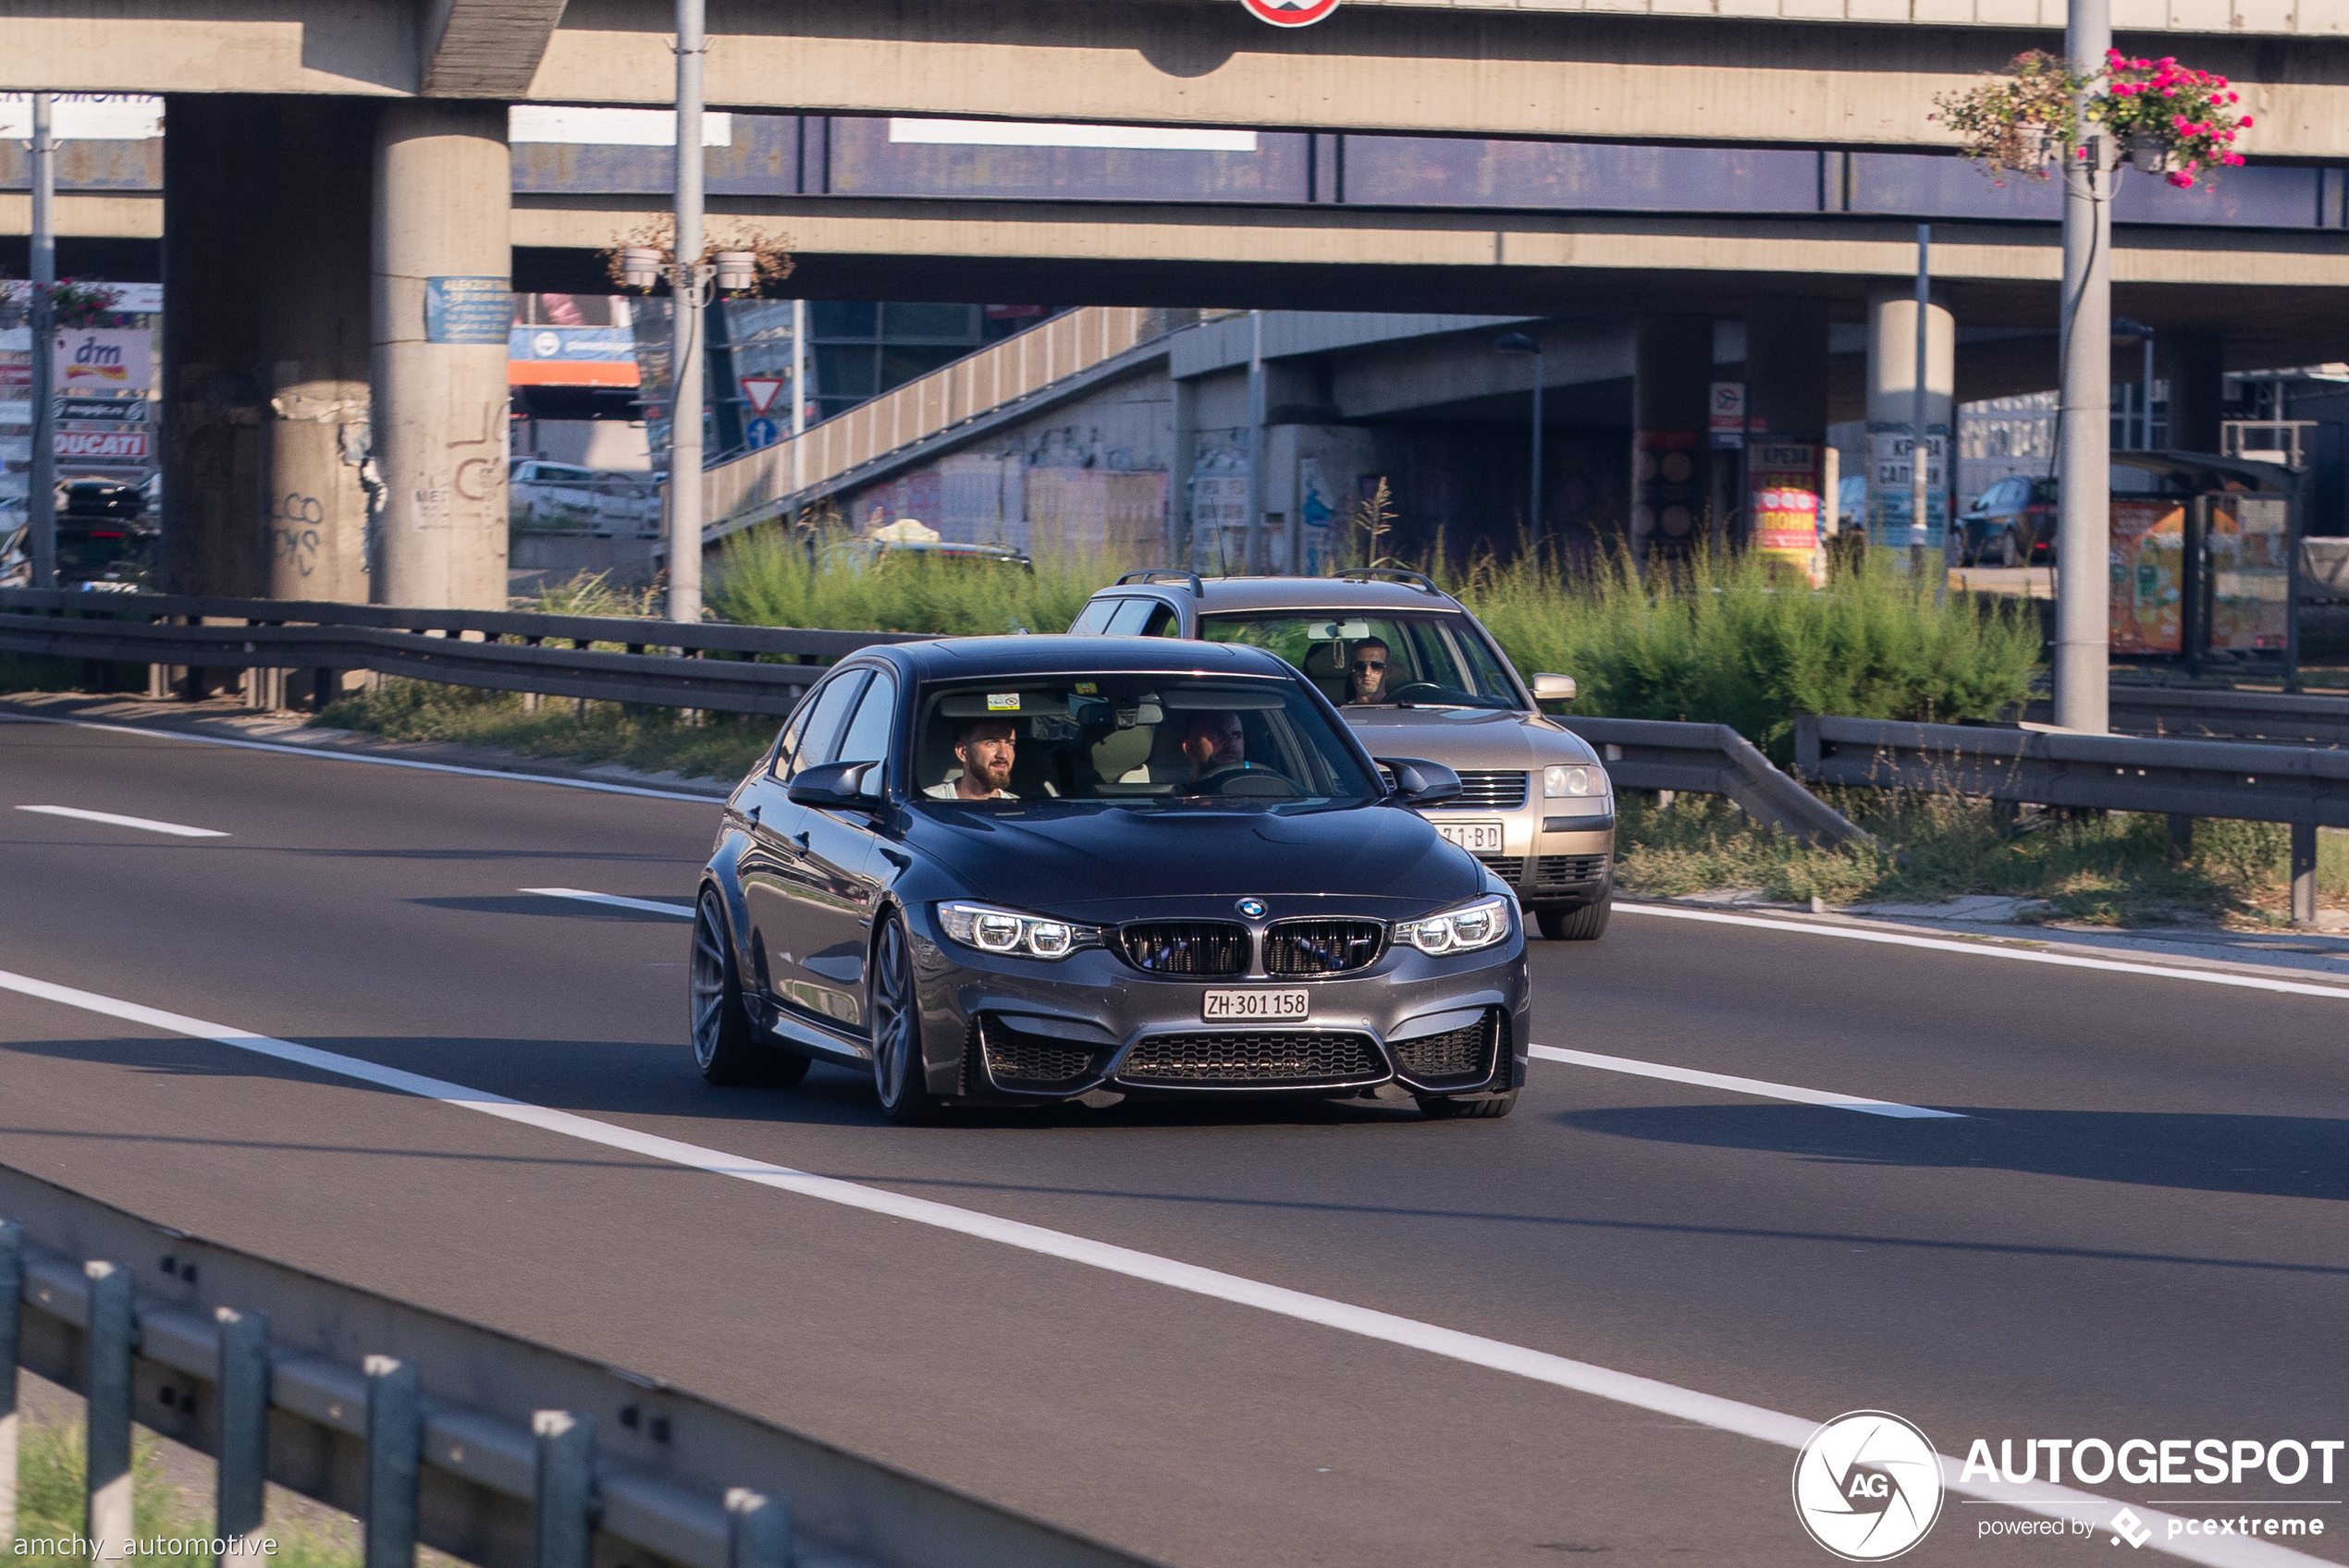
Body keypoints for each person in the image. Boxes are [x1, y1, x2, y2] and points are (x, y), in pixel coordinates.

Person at [925, 717, 1019, 800]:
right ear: (963, 752)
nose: (1004, 755)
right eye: (991, 743)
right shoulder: (927, 803)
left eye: (1009, 744)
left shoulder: (1019, 809)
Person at [1178, 710, 1246, 783]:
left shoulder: (1256, 790)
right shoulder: (1176, 794)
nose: (1231, 743)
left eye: (1237, 736)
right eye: (1216, 735)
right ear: (1190, 748)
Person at [1345, 637, 1394, 704]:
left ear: (1388, 672)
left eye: (1376, 666)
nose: (1367, 672)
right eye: (1359, 666)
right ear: (1351, 670)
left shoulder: (1402, 711)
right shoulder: (1337, 713)